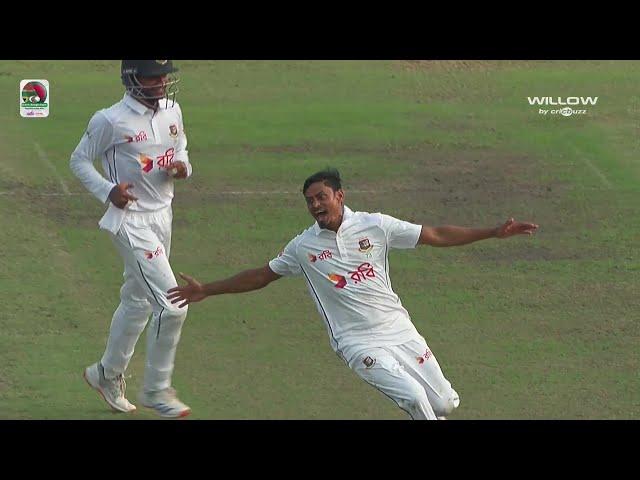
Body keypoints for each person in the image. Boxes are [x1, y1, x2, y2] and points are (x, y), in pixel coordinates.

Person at [167, 168, 539, 420]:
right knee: (414, 398)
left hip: (400, 330)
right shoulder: (303, 247)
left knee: (444, 403)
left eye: (321, 197)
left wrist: (492, 232)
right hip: (358, 343)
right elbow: (262, 276)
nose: (315, 205)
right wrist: (206, 290)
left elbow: (436, 235)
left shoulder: (375, 226)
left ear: (340, 196)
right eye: (310, 200)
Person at [70, 60, 193, 418]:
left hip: (162, 215)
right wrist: (108, 190)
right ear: (132, 79)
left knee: (139, 299)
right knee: (172, 305)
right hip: (130, 220)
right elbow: (78, 161)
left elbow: (180, 145)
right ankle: (157, 391)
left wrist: (183, 166)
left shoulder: (172, 109)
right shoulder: (109, 120)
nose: (162, 83)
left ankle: (105, 374)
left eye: (165, 76)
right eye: (154, 76)